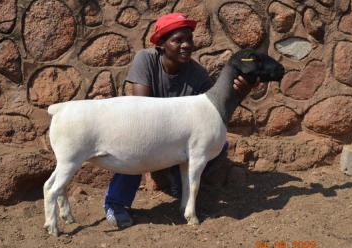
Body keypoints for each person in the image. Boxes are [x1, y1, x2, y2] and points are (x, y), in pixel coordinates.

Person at [103, 13, 258, 228]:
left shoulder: (198, 75)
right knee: (134, 146)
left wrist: (239, 96)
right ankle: (116, 203)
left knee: (218, 146)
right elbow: (142, 109)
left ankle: (178, 181)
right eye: (178, 40)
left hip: (175, 140)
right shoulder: (146, 59)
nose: (186, 45)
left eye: (189, 39)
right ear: (162, 44)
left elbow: (213, 117)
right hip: (147, 130)